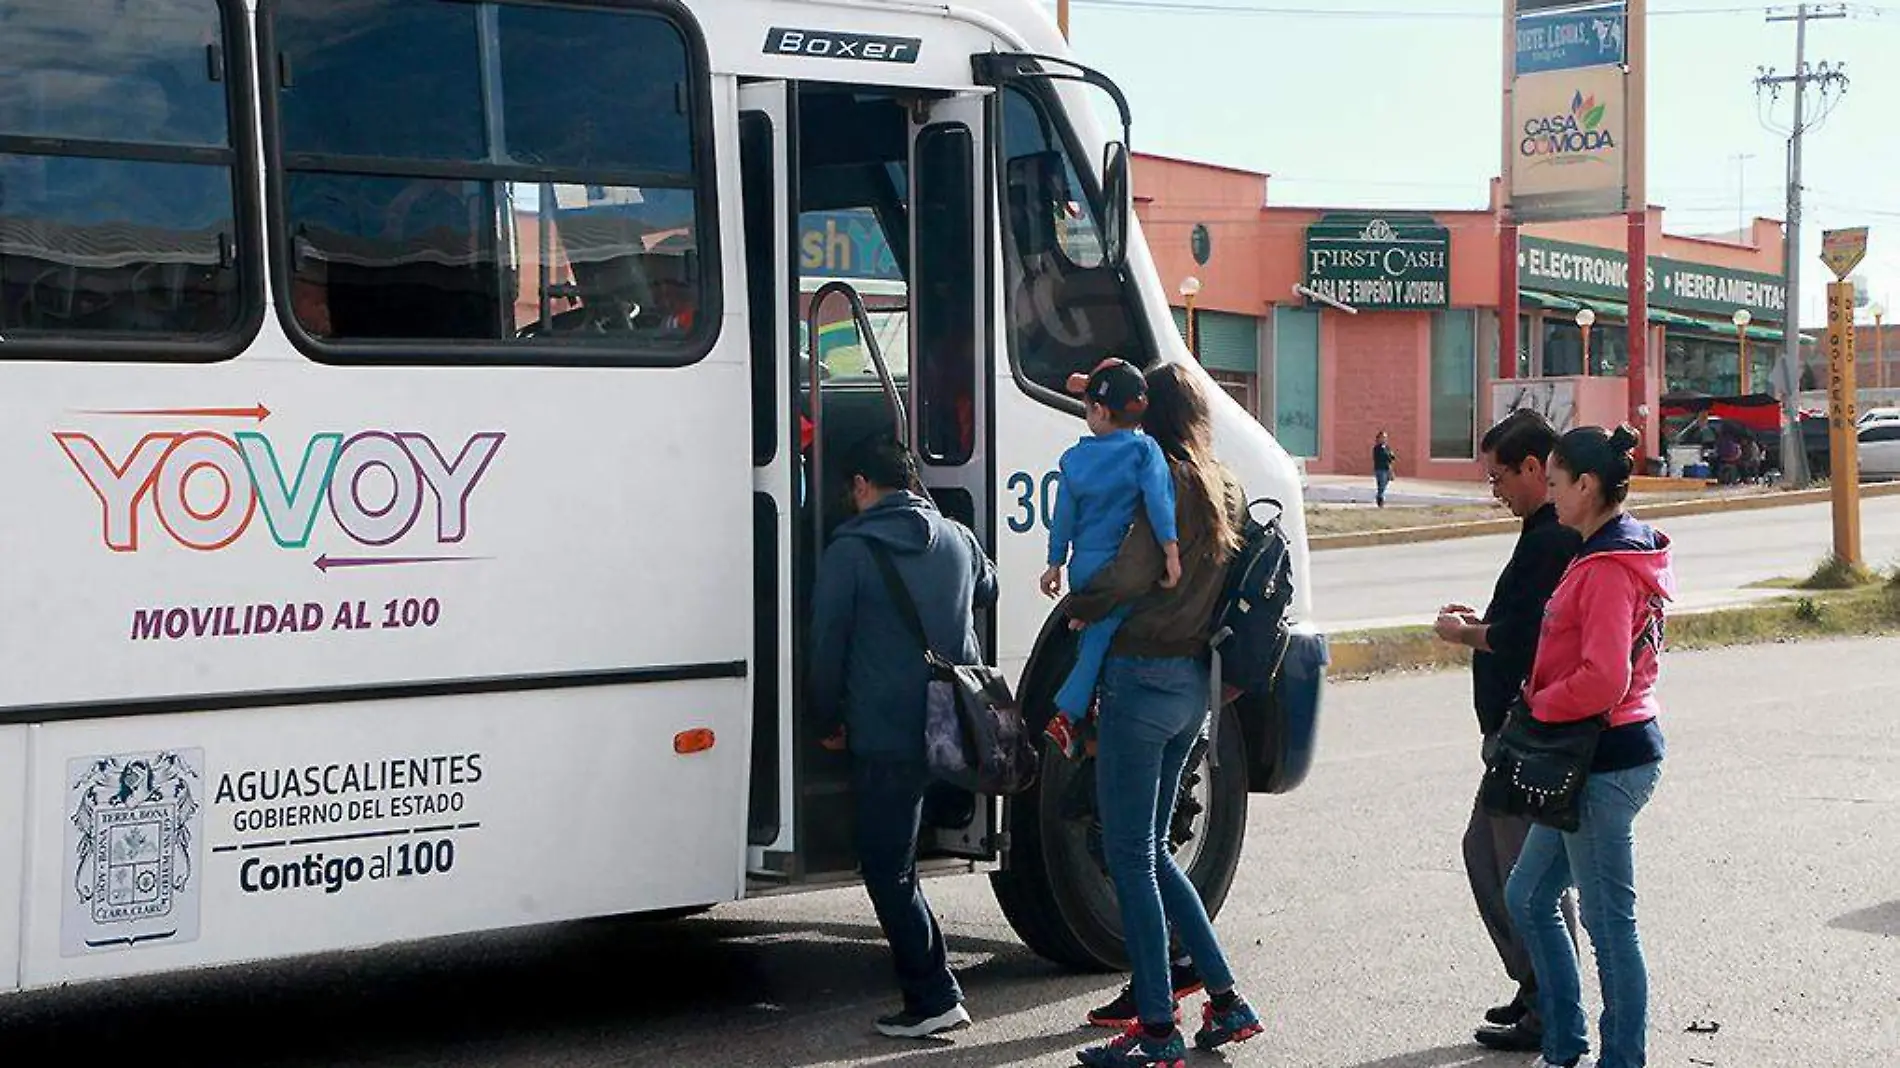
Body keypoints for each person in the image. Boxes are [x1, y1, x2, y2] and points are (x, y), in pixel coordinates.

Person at [1063, 363, 1264, 1067]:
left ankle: (1155, 1029)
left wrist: (1076, 606)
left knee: (1129, 858)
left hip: (1140, 677)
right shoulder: (1225, 483)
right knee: (1150, 850)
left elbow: (1126, 573)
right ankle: (1226, 998)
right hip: (1191, 686)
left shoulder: (1164, 481)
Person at [808, 436, 998, 1039]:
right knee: (901, 858)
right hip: (949, 724)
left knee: (887, 867)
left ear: (862, 485)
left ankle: (934, 993)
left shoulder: (850, 552)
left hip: (885, 732)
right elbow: (989, 590)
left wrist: (824, 719)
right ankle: (934, 988)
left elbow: (826, 648)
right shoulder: (957, 539)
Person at [1505, 425, 1675, 1068]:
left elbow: (1606, 679)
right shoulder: (1605, 550)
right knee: (1528, 895)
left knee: (1610, 928)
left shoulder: (1607, 567)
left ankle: (1621, 1058)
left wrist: (1540, 703)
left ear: (1587, 485)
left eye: (1554, 483)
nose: (1548, 496)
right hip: (1598, 755)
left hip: (1606, 760)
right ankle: (1565, 1041)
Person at [1431, 409, 1582, 1053]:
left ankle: (1552, 1002)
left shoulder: (1551, 537)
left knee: (1527, 874)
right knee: (1493, 857)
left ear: (1533, 468)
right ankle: (1540, 990)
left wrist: (1466, 633)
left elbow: (1527, 638)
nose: (1496, 493)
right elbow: (1520, 619)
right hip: (1516, 736)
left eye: (1500, 479)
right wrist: (1479, 621)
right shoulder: (1541, 533)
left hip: (1532, 738)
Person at [1040, 358, 1182, 760]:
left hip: (1083, 567)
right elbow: (1158, 503)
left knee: (1094, 636)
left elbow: (1063, 517)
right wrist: (1171, 552)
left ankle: (1085, 713)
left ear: (1100, 412)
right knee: (1103, 638)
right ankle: (1067, 715)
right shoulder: (1144, 452)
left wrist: (1055, 563)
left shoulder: (1074, 460)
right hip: (1119, 569)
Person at [1373, 430, 1398, 508]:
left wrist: (1390, 456)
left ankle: (1379, 498)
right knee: (1381, 485)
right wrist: (1387, 455)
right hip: (1380, 469)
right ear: (1379, 438)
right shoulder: (1376, 448)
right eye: (1383, 437)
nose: (1384, 439)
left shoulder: (1387, 447)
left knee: (1384, 485)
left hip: (1388, 469)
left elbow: (1392, 457)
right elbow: (1382, 457)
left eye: (1386, 437)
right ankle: (1380, 500)